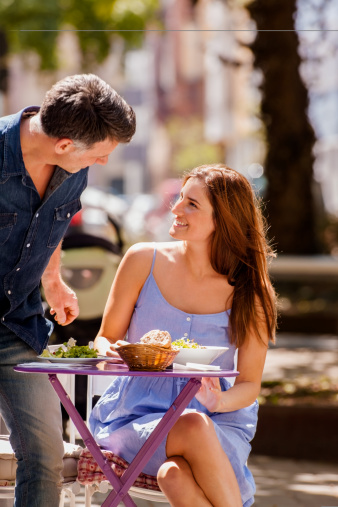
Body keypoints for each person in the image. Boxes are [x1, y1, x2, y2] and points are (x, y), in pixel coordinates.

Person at [90, 164, 277, 507]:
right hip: (135, 418)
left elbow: (250, 384)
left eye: (192, 204)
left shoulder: (249, 289)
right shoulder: (142, 260)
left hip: (220, 423)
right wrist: (112, 353)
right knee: (191, 424)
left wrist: (218, 402)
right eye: (180, 198)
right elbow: (104, 338)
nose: (175, 209)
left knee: (173, 476)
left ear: (223, 220)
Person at [0, 73, 136, 506]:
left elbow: (51, 222)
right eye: (99, 156)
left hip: (17, 324)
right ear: (62, 145)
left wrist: (52, 281)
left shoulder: (71, 167)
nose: (101, 163)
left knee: (44, 454)